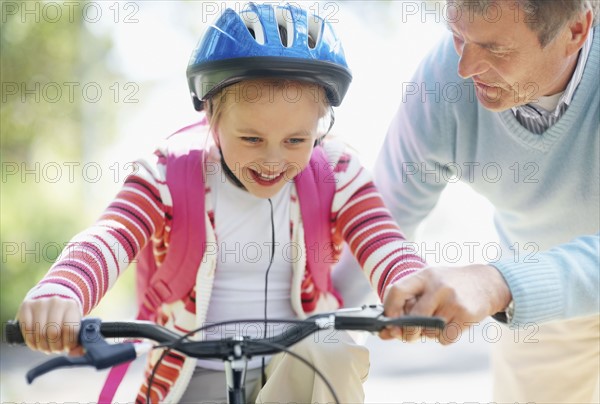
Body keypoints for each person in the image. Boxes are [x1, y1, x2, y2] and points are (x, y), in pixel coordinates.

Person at [16, 3, 425, 403]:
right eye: (251, 139)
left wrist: (408, 282)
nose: (272, 160)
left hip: (298, 369)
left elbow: (380, 236)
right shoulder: (168, 172)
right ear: (210, 113)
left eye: (296, 140)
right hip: (194, 370)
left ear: (321, 125)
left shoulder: (334, 170)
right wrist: (65, 287)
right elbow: (113, 234)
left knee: (333, 348)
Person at [370, 0, 599, 403]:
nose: (465, 68)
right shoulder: (443, 80)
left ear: (576, 31)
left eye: (495, 49)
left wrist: (497, 283)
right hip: (541, 303)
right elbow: (385, 214)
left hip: (523, 285)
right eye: (458, 36)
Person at [382, 232, 600, 343]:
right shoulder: (422, 143)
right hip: (537, 311)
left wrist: (495, 284)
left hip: (524, 291)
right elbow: (390, 213)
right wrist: (410, 288)